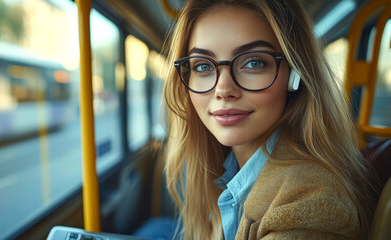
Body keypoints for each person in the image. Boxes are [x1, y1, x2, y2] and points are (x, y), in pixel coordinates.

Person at [161, 0, 379, 239]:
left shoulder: (309, 205)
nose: (223, 89)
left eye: (253, 63)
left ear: (294, 73)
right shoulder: (218, 166)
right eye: (202, 66)